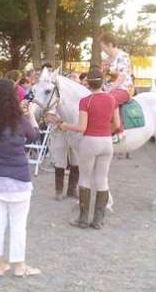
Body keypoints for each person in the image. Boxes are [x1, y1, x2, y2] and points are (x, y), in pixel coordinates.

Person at [0, 79, 41, 277]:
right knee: (18, 225)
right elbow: (34, 136)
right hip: (19, 178)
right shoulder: (21, 120)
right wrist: (31, 114)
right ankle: (19, 266)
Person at [50, 67, 120, 229]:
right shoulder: (112, 100)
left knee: (85, 178)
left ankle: (83, 219)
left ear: (88, 84)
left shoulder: (85, 101)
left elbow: (81, 127)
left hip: (90, 142)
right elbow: (117, 124)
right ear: (102, 82)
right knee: (102, 180)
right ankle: (98, 220)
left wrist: (65, 125)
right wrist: (104, 131)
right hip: (106, 142)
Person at [100, 33, 132, 142]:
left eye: (103, 47)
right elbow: (103, 78)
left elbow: (122, 77)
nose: (102, 50)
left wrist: (109, 90)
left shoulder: (123, 56)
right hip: (108, 89)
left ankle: (119, 131)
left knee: (110, 99)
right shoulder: (106, 60)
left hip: (123, 88)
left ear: (109, 44)